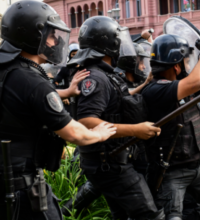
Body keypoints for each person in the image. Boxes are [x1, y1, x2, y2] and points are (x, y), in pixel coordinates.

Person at [0, 1, 117, 219]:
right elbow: (73, 133)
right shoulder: (32, 80)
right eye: (51, 35)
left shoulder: (8, 69)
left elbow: (20, 98)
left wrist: (65, 92)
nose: (55, 42)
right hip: (23, 187)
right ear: (35, 36)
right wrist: (97, 134)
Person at [68, 16, 164, 220]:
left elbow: (118, 99)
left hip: (111, 160)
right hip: (109, 164)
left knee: (121, 216)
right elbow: (87, 121)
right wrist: (135, 130)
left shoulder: (105, 75)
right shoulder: (96, 77)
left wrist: (144, 84)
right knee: (149, 215)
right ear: (109, 44)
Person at [142, 34, 200, 220]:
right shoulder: (155, 90)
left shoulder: (177, 86)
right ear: (176, 66)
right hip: (171, 172)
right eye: (185, 62)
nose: (188, 66)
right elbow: (195, 83)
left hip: (197, 166)